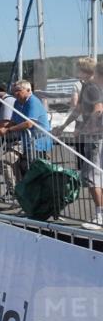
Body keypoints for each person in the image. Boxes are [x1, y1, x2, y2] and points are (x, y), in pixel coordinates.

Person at [55, 58, 103, 227]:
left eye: (78, 69)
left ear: (85, 71)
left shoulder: (91, 87)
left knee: (92, 178)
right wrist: (63, 126)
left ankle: (99, 217)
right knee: (94, 177)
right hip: (94, 137)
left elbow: (98, 109)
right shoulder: (86, 87)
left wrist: (85, 128)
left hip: (95, 138)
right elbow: (78, 109)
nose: (75, 72)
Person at [0, 80, 53, 196]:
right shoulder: (17, 103)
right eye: (14, 91)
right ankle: (19, 191)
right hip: (26, 141)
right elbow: (14, 120)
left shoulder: (33, 102)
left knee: (33, 170)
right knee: (16, 165)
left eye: (18, 91)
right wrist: (0, 127)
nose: (15, 93)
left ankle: (36, 195)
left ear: (28, 90)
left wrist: (8, 130)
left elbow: (29, 123)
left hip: (39, 142)